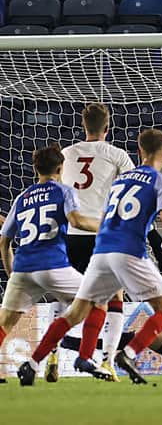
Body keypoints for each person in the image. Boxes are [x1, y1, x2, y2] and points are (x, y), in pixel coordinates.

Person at [18, 129, 162, 386]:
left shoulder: (121, 181)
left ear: (139, 151)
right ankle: (125, 355)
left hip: (101, 249)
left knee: (77, 312)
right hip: (128, 251)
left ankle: (34, 363)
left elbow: (106, 217)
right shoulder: (161, 182)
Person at [46, 103, 162, 383]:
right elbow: (135, 187)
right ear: (108, 127)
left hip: (69, 235)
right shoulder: (117, 155)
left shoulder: (66, 154)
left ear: (84, 126)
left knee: (66, 299)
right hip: (104, 237)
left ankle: (52, 354)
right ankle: (105, 361)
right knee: (111, 299)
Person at [0, 144, 101, 384]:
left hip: (23, 268)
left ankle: (35, 363)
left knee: (5, 323)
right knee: (99, 299)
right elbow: (77, 221)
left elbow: (4, 240)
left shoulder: (22, 197)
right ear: (60, 167)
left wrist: (12, 272)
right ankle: (85, 356)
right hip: (52, 265)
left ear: (36, 168)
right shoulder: (64, 191)